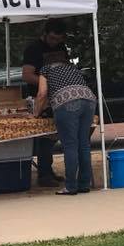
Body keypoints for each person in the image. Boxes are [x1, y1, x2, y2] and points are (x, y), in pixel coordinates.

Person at [34, 51, 97, 195]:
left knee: (70, 145)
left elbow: (42, 93)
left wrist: (36, 113)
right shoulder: (72, 68)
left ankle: (70, 186)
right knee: (83, 144)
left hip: (66, 103)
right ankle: (84, 184)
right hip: (89, 100)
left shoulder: (46, 69)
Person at [22, 18, 68, 187]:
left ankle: (47, 170)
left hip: (59, 98)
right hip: (40, 98)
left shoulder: (61, 48)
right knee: (44, 137)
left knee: (51, 137)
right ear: (45, 34)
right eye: (52, 39)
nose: (55, 43)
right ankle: (44, 174)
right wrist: (47, 83)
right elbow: (27, 75)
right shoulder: (33, 49)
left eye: (59, 39)